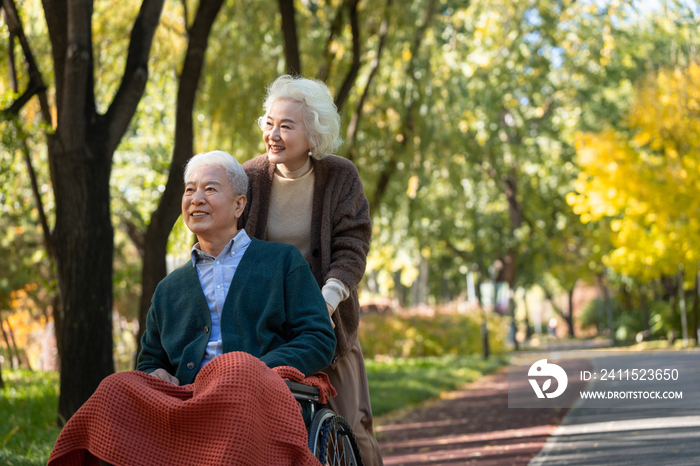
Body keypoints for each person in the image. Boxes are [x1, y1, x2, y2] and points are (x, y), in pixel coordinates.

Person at [47, 151, 336, 466]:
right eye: (189, 190)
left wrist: (260, 369)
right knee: (114, 387)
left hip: (257, 389)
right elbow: (150, 362)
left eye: (210, 189)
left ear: (239, 204)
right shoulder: (169, 289)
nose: (196, 199)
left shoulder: (282, 262)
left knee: (236, 369)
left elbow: (319, 337)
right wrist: (156, 375)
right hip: (188, 398)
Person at [242, 75, 383, 465]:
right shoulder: (249, 177)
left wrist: (330, 298)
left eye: (286, 125)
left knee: (353, 426)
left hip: (328, 318)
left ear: (314, 134)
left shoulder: (340, 177)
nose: (273, 133)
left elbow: (352, 245)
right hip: (267, 324)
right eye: (269, 123)